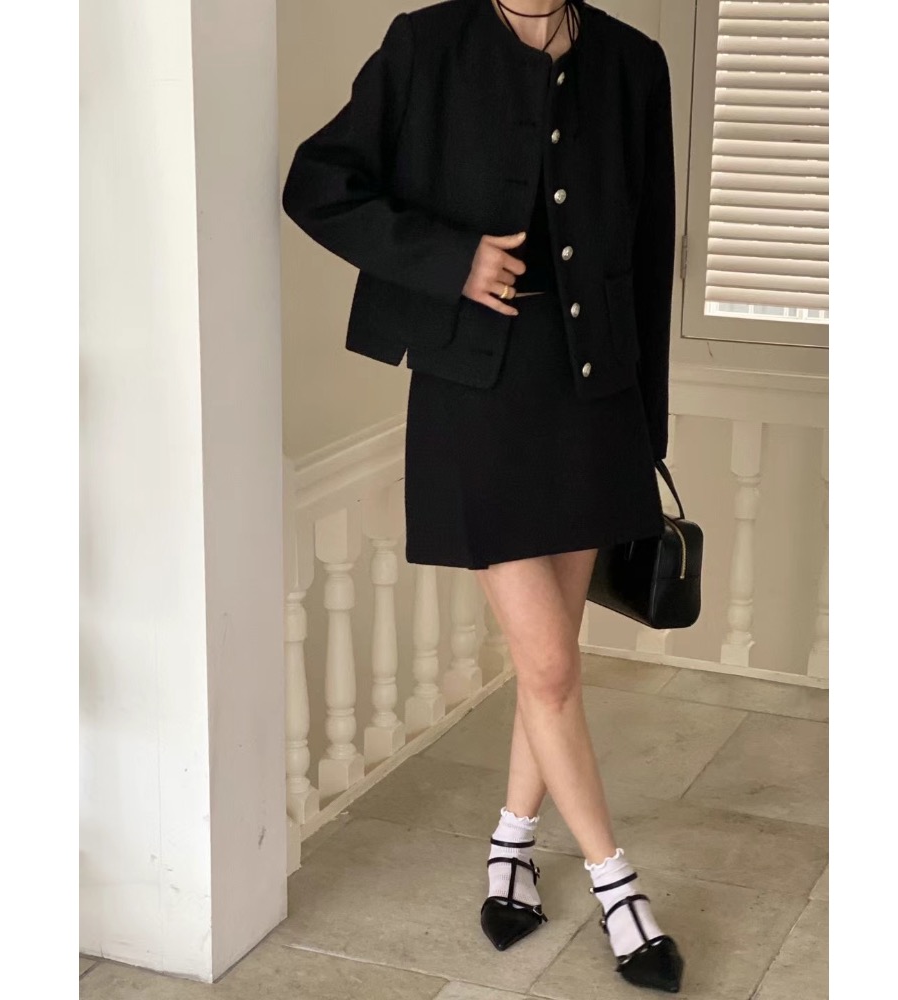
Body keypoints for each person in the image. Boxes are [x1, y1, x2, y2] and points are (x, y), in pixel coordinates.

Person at [282, 0, 682, 992]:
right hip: (477, 395)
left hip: (594, 398)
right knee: (547, 666)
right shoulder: (426, 45)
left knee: (552, 664)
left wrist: (646, 432)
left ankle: (511, 844)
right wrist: (449, 259)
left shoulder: (633, 62)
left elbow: (649, 253)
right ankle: (616, 885)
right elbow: (316, 182)